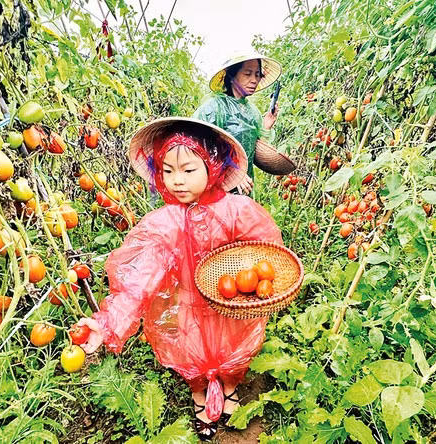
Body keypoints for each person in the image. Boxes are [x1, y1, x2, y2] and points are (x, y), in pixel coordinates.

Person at [76, 117, 283, 440]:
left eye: (188, 170)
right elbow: (138, 280)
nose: (177, 181)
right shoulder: (164, 223)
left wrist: (256, 279)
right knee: (190, 355)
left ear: (212, 166)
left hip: (229, 304)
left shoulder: (237, 210)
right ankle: (200, 395)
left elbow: (265, 252)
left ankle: (228, 388)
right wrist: (107, 322)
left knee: (233, 350)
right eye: (168, 171)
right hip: (185, 302)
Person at [193, 54, 282, 195]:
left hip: (244, 190)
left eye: (258, 74)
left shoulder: (253, 113)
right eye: (247, 73)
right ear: (231, 76)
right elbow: (196, 147)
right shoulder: (214, 107)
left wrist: (266, 125)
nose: (254, 80)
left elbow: (254, 150)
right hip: (214, 190)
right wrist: (232, 172)